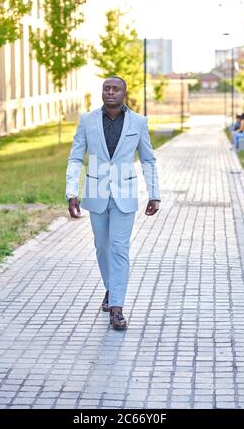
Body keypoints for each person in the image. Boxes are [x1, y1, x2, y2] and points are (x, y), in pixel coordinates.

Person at [65, 76, 161, 330]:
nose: (110, 92)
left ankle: (117, 307)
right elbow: (76, 158)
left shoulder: (138, 122)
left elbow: (148, 160)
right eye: (106, 88)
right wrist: (71, 192)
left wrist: (154, 193)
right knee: (102, 247)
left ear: (124, 94)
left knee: (119, 248)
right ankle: (111, 288)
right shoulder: (87, 121)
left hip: (125, 194)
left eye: (115, 89)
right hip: (96, 193)